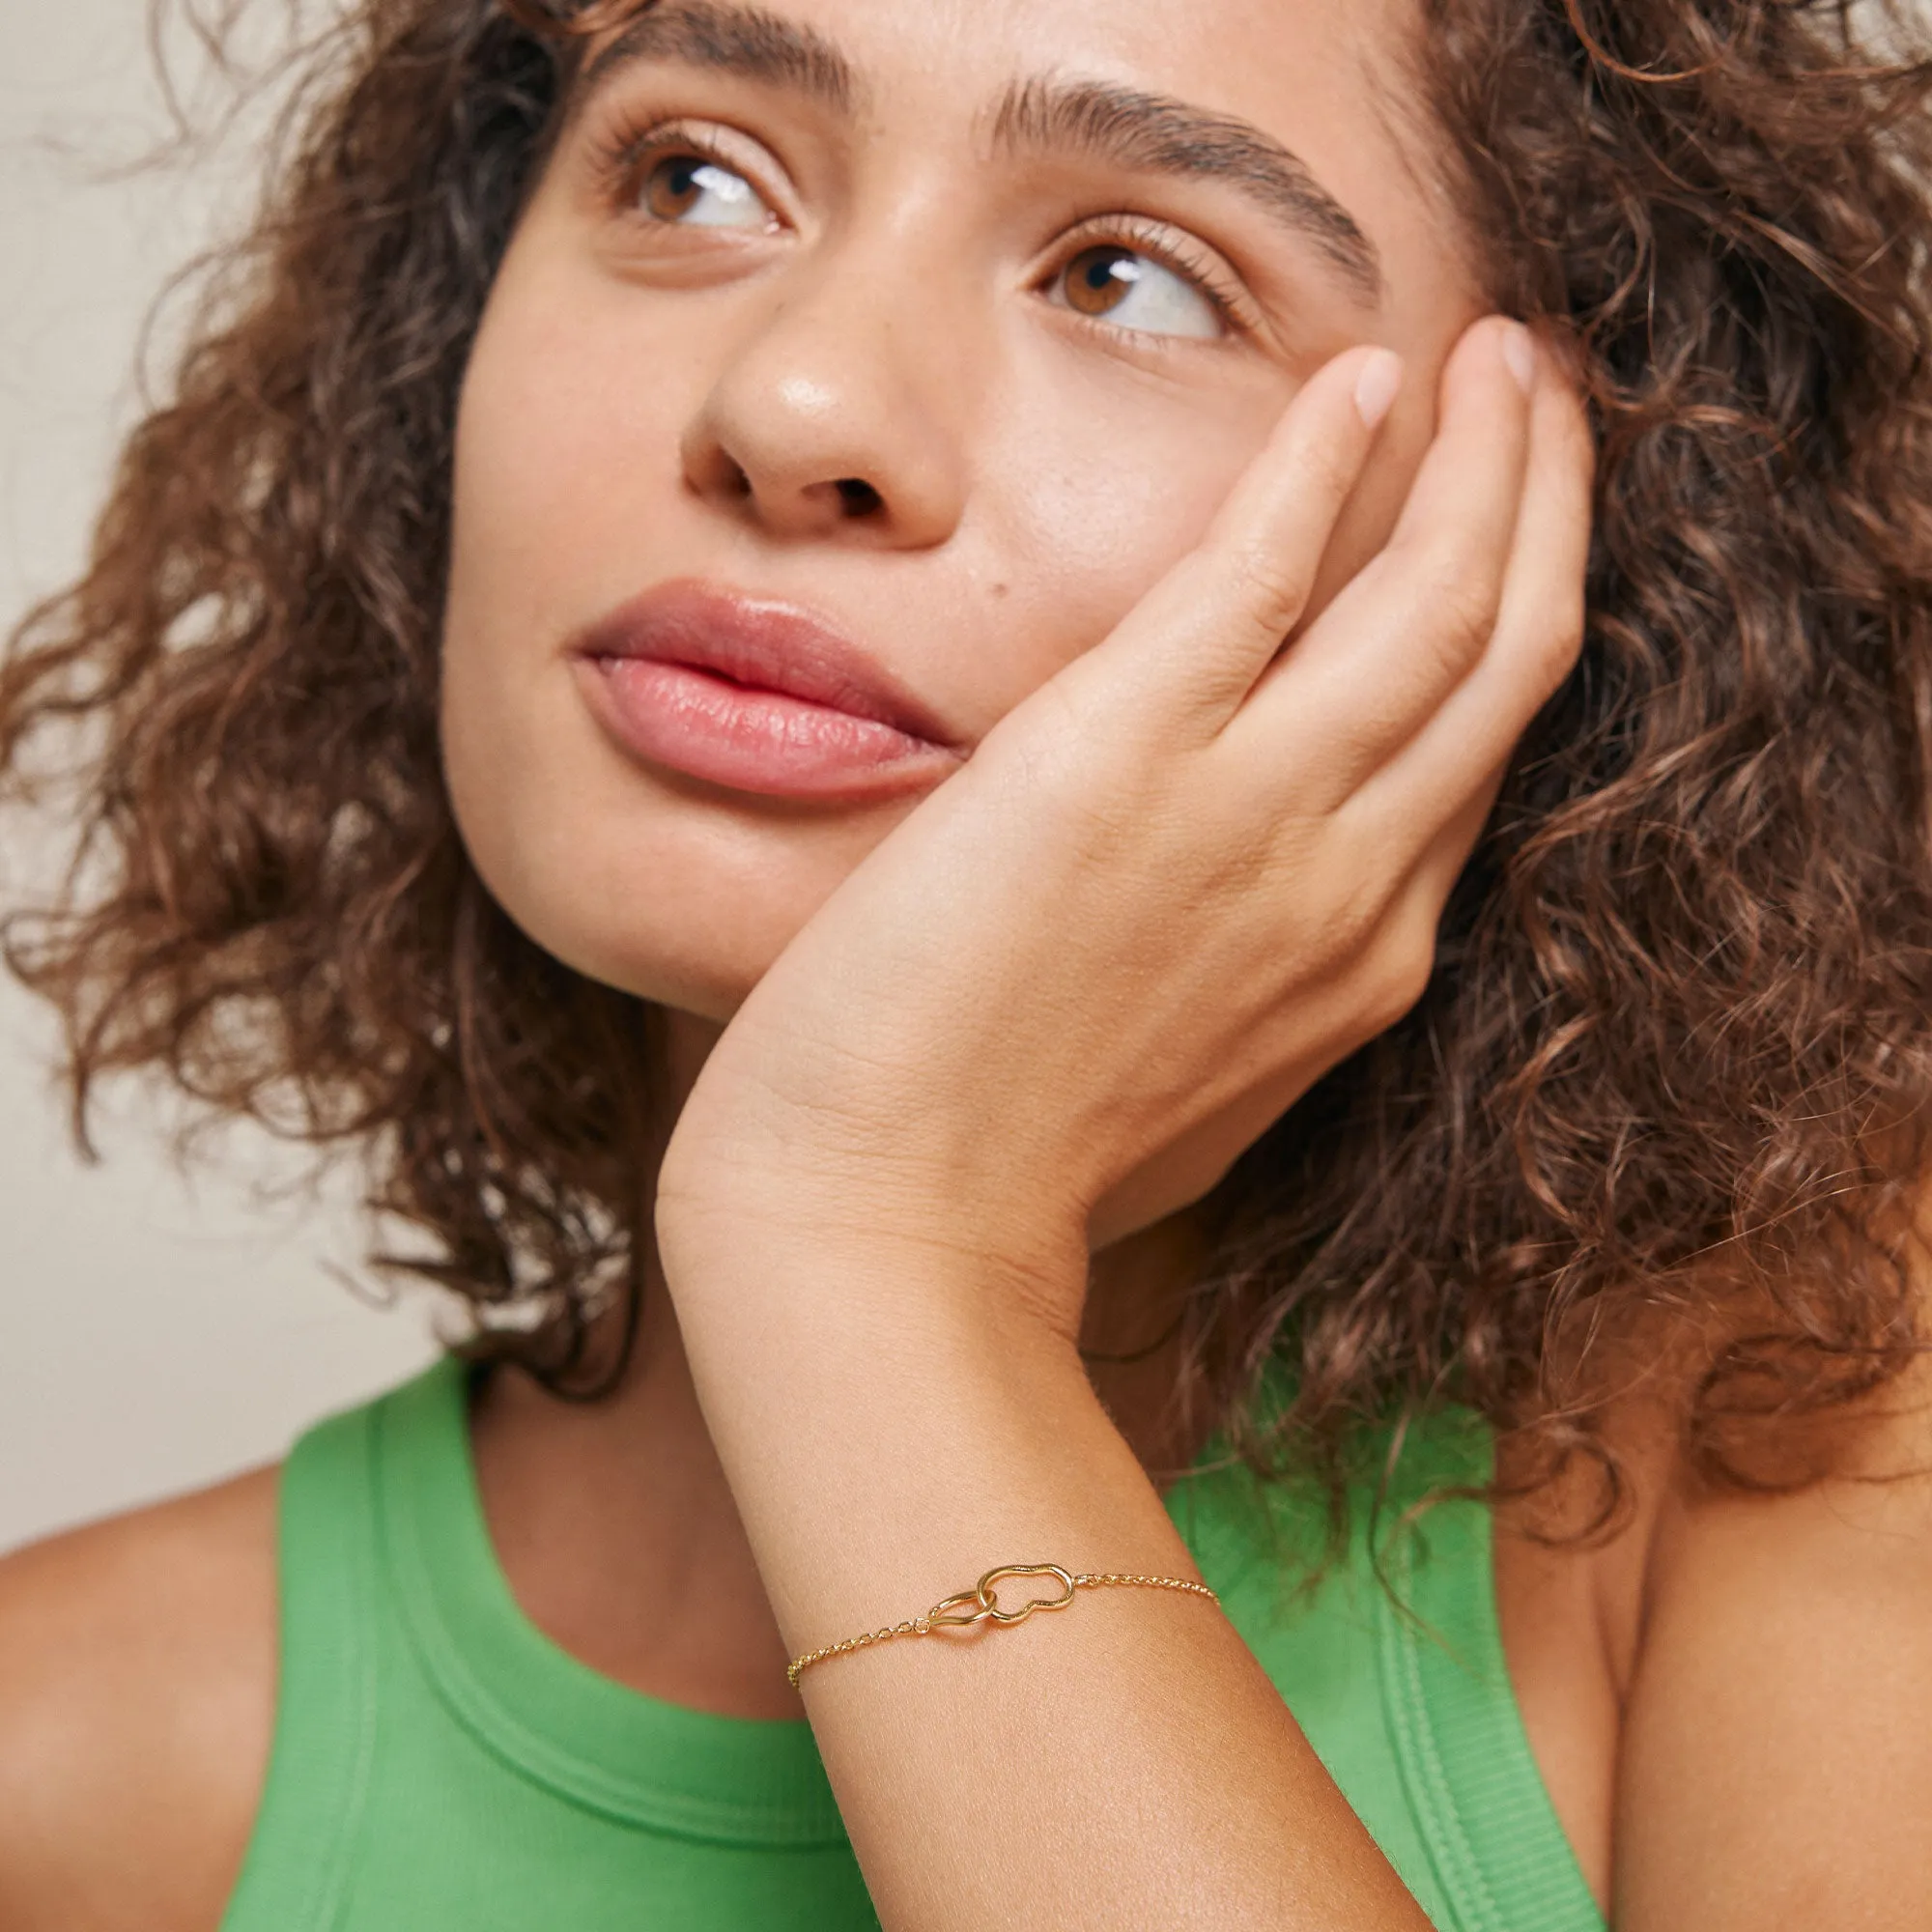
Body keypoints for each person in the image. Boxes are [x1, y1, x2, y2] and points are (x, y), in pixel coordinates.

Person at [3, 0, 1930, 1923]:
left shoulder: (1827, 1434)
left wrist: (872, 1251)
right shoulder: (66, 1769)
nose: (793, 409)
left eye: (1131, 279)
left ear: (1579, 520)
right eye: (694, 174)